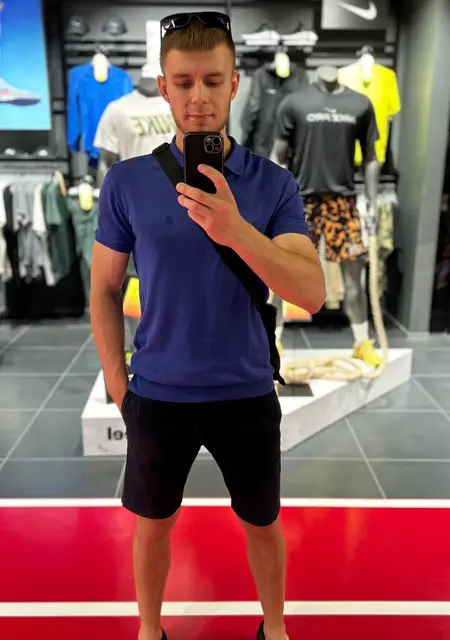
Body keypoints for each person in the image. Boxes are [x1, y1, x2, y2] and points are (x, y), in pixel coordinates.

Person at [90, 12, 325, 640]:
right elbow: (104, 289)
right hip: (158, 392)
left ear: (235, 84)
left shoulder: (273, 184)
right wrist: (117, 381)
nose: (199, 98)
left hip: (245, 389)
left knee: (262, 522)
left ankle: (274, 627)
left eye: (213, 81)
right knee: (153, 523)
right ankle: (149, 628)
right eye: (184, 82)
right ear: (164, 87)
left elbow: (310, 292)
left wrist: (236, 229)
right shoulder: (128, 181)